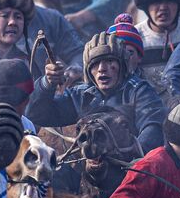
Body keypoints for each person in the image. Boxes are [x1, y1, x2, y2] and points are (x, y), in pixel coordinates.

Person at [30, 32, 166, 150]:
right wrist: (47, 83)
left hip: (128, 167)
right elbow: (37, 115)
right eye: (95, 63)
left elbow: (153, 128)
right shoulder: (80, 96)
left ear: (122, 65)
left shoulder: (139, 91)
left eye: (110, 61)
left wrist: (133, 156)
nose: (101, 68)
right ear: (88, 71)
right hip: (89, 168)